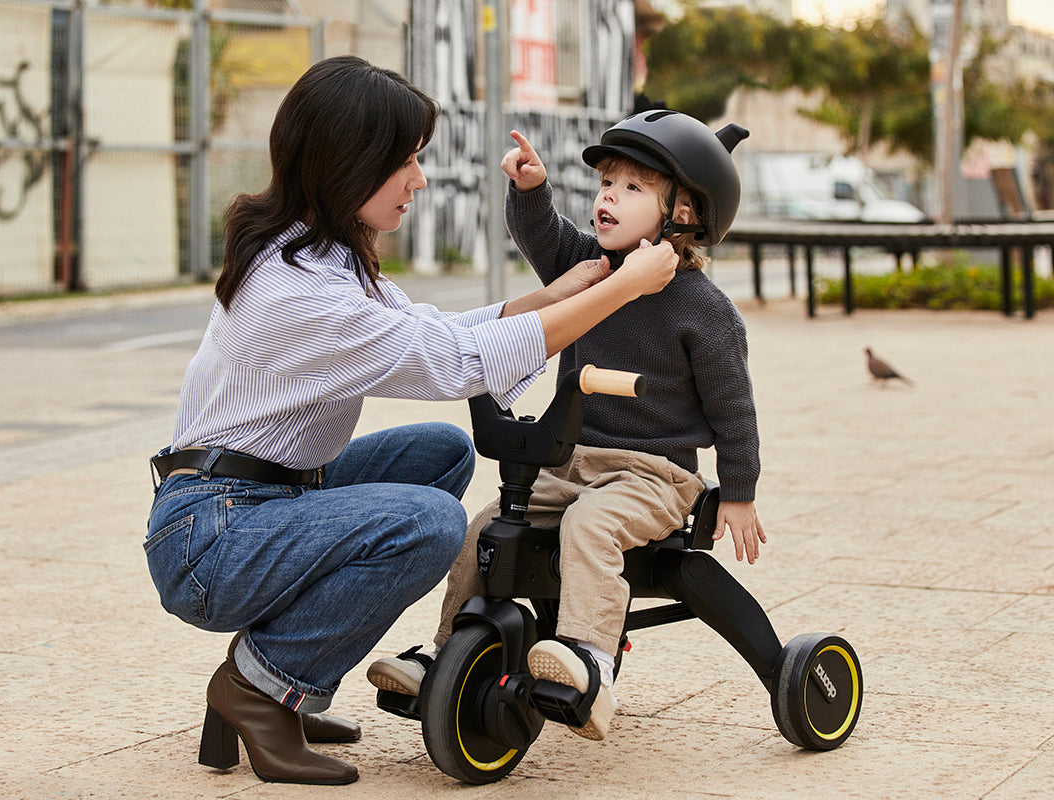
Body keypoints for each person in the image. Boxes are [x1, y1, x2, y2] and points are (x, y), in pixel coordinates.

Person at [144, 56, 680, 786]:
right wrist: (619, 292)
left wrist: (560, 292)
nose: (419, 180)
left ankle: (280, 677)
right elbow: (451, 361)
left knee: (440, 454)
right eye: (405, 161)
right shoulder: (296, 294)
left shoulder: (321, 252)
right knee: (426, 522)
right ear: (348, 163)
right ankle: (259, 687)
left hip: (254, 499)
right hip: (210, 539)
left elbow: (433, 327)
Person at [368, 110, 767, 742]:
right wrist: (530, 190)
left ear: (683, 214)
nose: (608, 195)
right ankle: (446, 651)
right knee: (489, 527)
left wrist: (738, 492)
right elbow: (542, 238)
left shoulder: (705, 312)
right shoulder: (592, 264)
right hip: (570, 464)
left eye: (632, 188)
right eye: (607, 182)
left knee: (589, 528)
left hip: (653, 477)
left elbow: (733, 410)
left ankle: (589, 661)